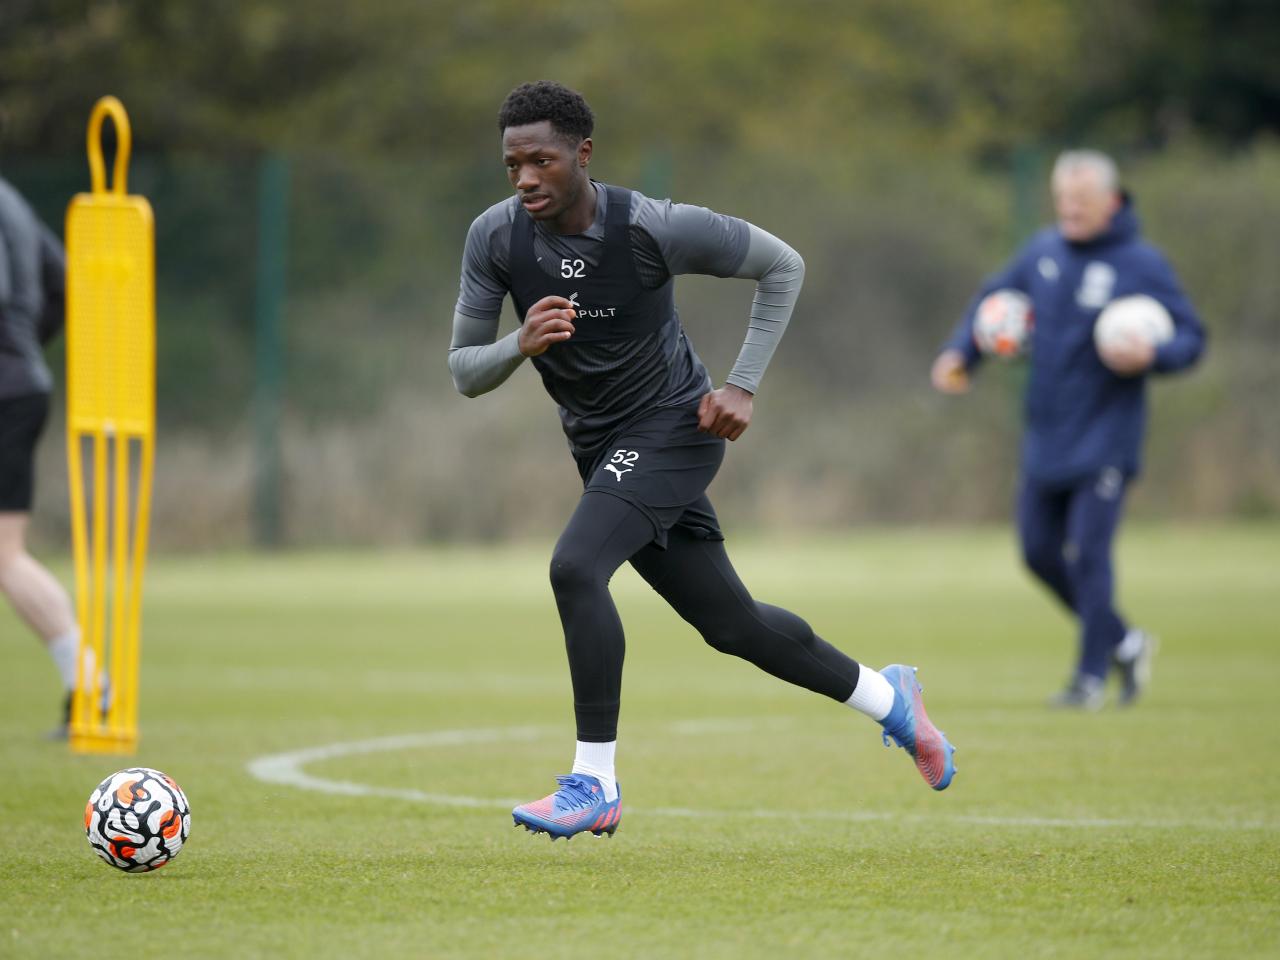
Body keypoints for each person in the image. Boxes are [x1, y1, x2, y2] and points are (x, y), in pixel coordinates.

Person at [450, 81, 956, 841]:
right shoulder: (495, 238)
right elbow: (464, 370)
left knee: (575, 566)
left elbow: (783, 265)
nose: (525, 179)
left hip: (673, 430)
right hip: (602, 449)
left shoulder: (651, 226)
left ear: (582, 156)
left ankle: (595, 781)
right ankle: (892, 701)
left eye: (542, 161)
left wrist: (743, 384)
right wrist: (517, 346)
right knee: (734, 625)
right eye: (513, 164)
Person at [930, 149, 1206, 710]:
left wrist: (1154, 352)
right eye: (1063, 200)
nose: (1071, 210)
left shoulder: (1141, 262)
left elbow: (1191, 338)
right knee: (1036, 552)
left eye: (1082, 200)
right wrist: (961, 353)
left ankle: (1088, 678)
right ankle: (1123, 640)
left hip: (1108, 434)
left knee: (1090, 552)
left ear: (1111, 200)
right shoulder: (1043, 252)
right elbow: (992, 302)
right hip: (1048, 433)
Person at [0, 172, 85, 738]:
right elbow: (65, 283)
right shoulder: (12, 197)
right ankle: (89, 682)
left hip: (4, 387)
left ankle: (90, 681)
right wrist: (29, 344)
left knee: (4, 555)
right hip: (21, 382)